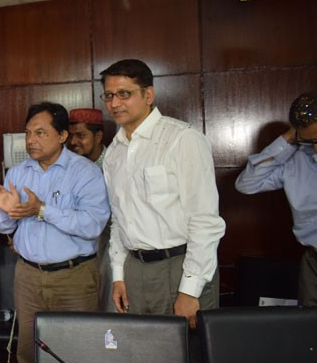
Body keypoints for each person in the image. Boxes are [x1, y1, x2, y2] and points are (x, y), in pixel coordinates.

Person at [0, 102, 109, 363]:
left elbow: (92, 225)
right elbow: (3, 226)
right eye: (28, 133)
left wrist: (40, 210)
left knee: (78, 353)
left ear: (63, 135)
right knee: (28, 353)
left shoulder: (85, 172)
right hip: (28, 276)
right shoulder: (17, 173)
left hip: (74, 277)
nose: (31, 140)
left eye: (41, 132)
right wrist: (9, 211)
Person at [101, 59, 225, 326]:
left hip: (179, 266)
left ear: (148, 95)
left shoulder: (182, 139)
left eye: (125, 93)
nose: (115, 103)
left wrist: (189, 291)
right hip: (135, 269)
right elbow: (119, 220)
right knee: (146, 357)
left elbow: (205, 220)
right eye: (109, 95)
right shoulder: (114, 152)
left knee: (190, 357)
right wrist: (119, 275)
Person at [235, 90, 317, 306]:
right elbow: (247, 184)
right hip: (313, 260)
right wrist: (287, 139)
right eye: (310, 141)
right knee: (308, 330)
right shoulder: (297, 160)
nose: (316, 147)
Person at [68, 107, 113, 312]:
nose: (73, 142)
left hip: (111, 248)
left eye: (81, 135)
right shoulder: (70, 168)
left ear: (98, 136)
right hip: (78, 253)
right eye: (71, 136)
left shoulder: (115, 163)